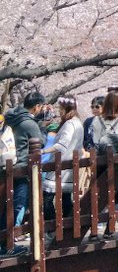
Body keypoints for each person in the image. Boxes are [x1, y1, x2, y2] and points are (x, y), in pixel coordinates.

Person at [1, 91, 46, 249]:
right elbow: (40, 143)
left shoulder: (10, 117)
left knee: (6, 204)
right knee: (18, 206)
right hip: (21, 168)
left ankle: (6, 242)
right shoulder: (29, 123)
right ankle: (7, 245)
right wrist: (42, 126)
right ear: (37, 107)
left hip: (6, 167)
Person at [42, 96, 84, 238]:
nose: (59, 110)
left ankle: (53, 229)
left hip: (60, 167)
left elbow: (62, 145)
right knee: (66, 198)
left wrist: (42, 151)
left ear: (66, 108)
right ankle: (67, 229)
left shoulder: (69, 124)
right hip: (70, 167)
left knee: (46, 198)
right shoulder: (78, 123)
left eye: (60, 108)